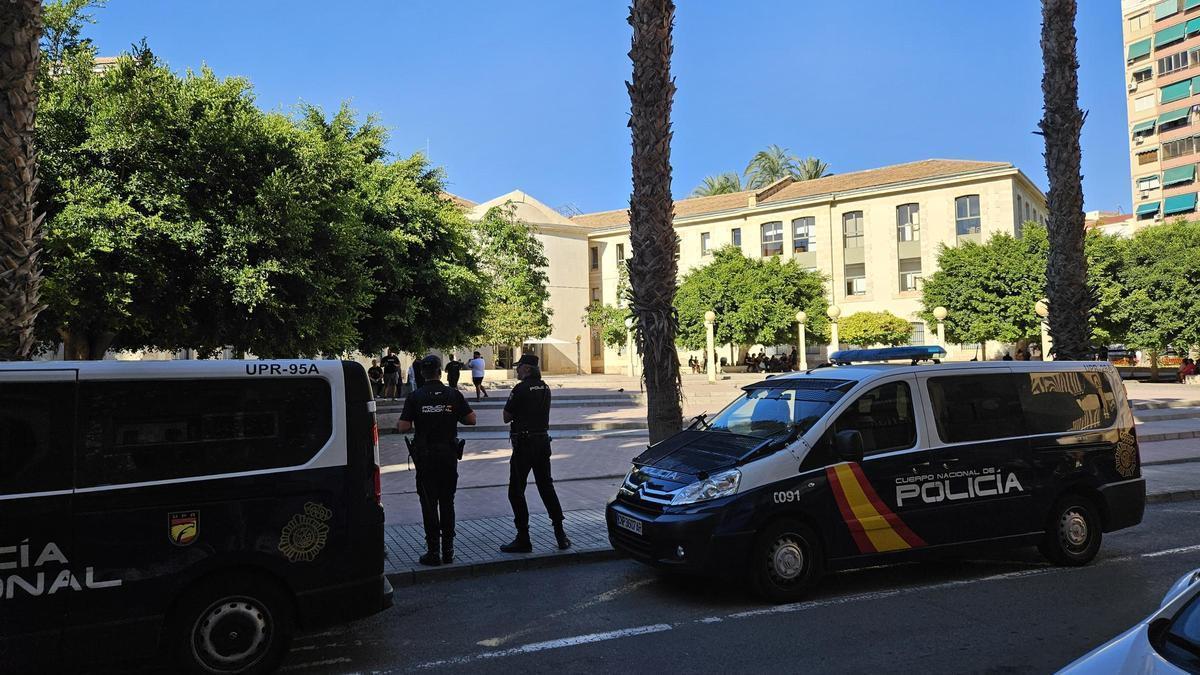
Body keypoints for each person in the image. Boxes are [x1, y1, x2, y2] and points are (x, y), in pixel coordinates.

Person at [396, 355, 476, 566]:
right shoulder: (453, 394)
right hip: (448, 457)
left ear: (422, 373)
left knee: (429, 504)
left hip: (426, 459)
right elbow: (471, 419)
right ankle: (449, 550)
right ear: (441, 372)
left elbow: (403, 427)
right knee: (447, 502)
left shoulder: (415, 396)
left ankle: (433, 551)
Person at [500, 354, 570, 553]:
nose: (517, 370)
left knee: (516, 491)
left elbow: (506, 416)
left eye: (519, 366)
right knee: (546, 487)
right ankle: (560, 534)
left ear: (527, 369)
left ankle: (523, 537)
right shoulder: (546, 388)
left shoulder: (520, 388)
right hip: (542, 442)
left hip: (524, 445)